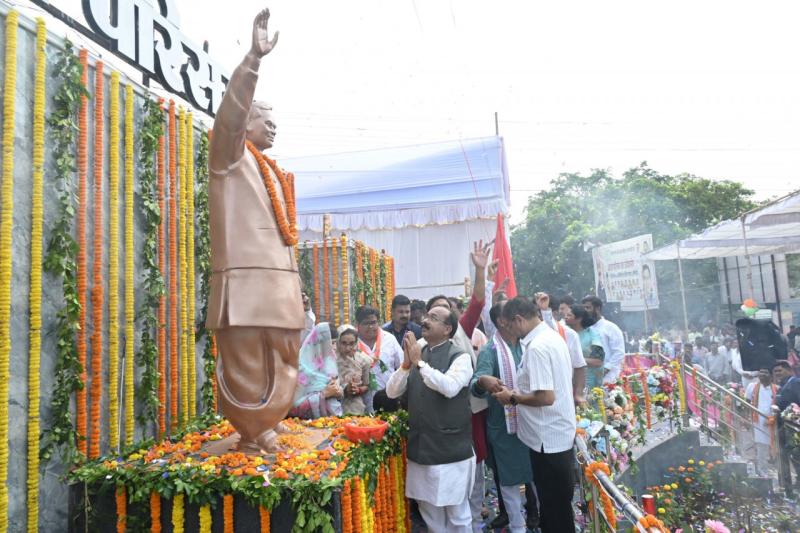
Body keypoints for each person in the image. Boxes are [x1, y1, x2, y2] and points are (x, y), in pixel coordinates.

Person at [207, 9, 305, 452]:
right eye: (266, 119)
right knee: (247, 361)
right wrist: (253, 60)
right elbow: (229, 116)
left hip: (279, 286)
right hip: (244, 284)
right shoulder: (229, 158)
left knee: (284, 354)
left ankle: (272, 417)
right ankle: (253, 429)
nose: (274, 126)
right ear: (245, 122)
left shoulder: (272, 171)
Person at [386, 307, 474, 533]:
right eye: (426, 316)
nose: (425, 321)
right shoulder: (419, 351)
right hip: (421, 447)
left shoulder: (460, 357)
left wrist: (420, 364)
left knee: (457, 514)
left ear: (447, 329)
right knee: (429, 512)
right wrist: (406, 365)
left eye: (433, 318)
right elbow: (392, 392)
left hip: (450, 450)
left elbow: (450, 387)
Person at [493, 297, 577, 533]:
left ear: (518, 320)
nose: (509, 332)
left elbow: (545, 397)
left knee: (555, 512)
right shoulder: (551, 337)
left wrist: (512, 397)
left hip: (547, 441)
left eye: (509, 326)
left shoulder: (538, 347)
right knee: (555, 510)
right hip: (554, 436)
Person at [471, 301, 539, 532]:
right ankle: (517, 526)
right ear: (502, 321)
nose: (519, 317)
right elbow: (476, 384)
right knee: (509, 480)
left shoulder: (529, 344)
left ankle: (540, 517)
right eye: (513, 314)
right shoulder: (490, 351)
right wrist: (483, 381)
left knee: (537, 474)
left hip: (532, 421)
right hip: (505, 426)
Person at [287, 323, 342, 419]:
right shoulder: (301, 369)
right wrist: (323, 394)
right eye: (331, 343)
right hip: (302, 424)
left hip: (333, 422)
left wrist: (338, 393)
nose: (335, 347)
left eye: (335, 343)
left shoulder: (330, 366)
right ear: (318, 342)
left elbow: (336, 394)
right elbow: (292, 409)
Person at [539, 293, 587, 403]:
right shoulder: (525, 336)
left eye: (544, 313)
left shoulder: (569, 334)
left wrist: (578, 395)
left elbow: (579, 366)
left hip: (565, 395)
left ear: (554, 313)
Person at [355, 305, 403, 413]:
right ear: (357, 324)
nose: (370, 327)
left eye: (373, 322)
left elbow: (402, 367)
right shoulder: (351, 342)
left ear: (379, 322)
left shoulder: (389, 339)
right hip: (360, 404)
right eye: (366, 323)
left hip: (388, 400)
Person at [582, 296, 625, 384]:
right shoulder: (585, 329)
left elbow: (619, 353)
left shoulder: (611, 328)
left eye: (588, 307)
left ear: (597, 308)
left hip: (609, 379)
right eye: (584, 308)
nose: (585, 311)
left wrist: (605, 369)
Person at [745, 369, 778, 475]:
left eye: (765, 372)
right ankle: (762, 470)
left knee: (774, 446)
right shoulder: (752, 386)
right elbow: (747, 403)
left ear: (771, 376)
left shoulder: (776, 389)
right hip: (757, 421)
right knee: (761, 446)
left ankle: (775, 471)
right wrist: (746, 418)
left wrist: (772, 418)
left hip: (772, 422)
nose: (762, 374)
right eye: (761, 372)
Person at [565, 304, 605, 391]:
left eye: (569, 315)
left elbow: (598, 361)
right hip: (567, 381)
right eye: (566, 315)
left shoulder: (592, 334)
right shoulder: (564, 332)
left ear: (579, 319)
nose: (565, 317)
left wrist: (574, 359)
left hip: (588, 383)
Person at [336, 327, 372, 415]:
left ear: (356, 343)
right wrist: (344, 389)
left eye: (352, 344)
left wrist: (358, 390)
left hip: (355, 406)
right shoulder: (331, 360)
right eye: (344, 343)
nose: (348, 348)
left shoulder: (364, 360)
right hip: (333, 405)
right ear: (338, 342)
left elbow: (367, 385)